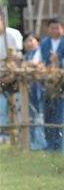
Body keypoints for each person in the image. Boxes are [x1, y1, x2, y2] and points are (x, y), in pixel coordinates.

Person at [30, 17, 64, 152]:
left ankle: (62, 146)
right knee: (48, 115)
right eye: (52, 27)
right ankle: (50, 146)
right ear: (48, 29)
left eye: (57, 27)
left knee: (61, 115)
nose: (54, 30)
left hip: (63, 85)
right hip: (47, 85)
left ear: (63, 28)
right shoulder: (44, 43)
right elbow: (36, 60)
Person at [0, 12, 23, 144]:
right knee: (1, 108)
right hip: (0, 78)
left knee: (17, 107)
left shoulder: (13, 34)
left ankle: (19, 135)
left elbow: (18, 57)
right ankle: (4, 136)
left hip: (14, 76)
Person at [22, 33, 46, 151]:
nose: (29, 43)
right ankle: (31, 143)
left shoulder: (39, 51)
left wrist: (23, 65)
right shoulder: (26, 56)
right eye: (26, 41)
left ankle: (40, 143)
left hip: (40, 89)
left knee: (40, 115)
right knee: (30, 115)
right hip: (29, 89)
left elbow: (35, 63)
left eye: (31, 40)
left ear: (38, 42)